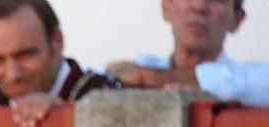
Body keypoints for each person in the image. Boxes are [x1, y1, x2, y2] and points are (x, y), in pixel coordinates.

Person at [0, 0, 120, 127]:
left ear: (57, 41)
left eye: (25, 55)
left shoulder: (115, 97)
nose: (13, 75)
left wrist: (66, 113)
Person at [109, 0, 268, 106]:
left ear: (237, 20)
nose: (199, 6)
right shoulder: (141, 66)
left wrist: (150, 79)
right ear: (166, 7)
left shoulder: (255, 79)